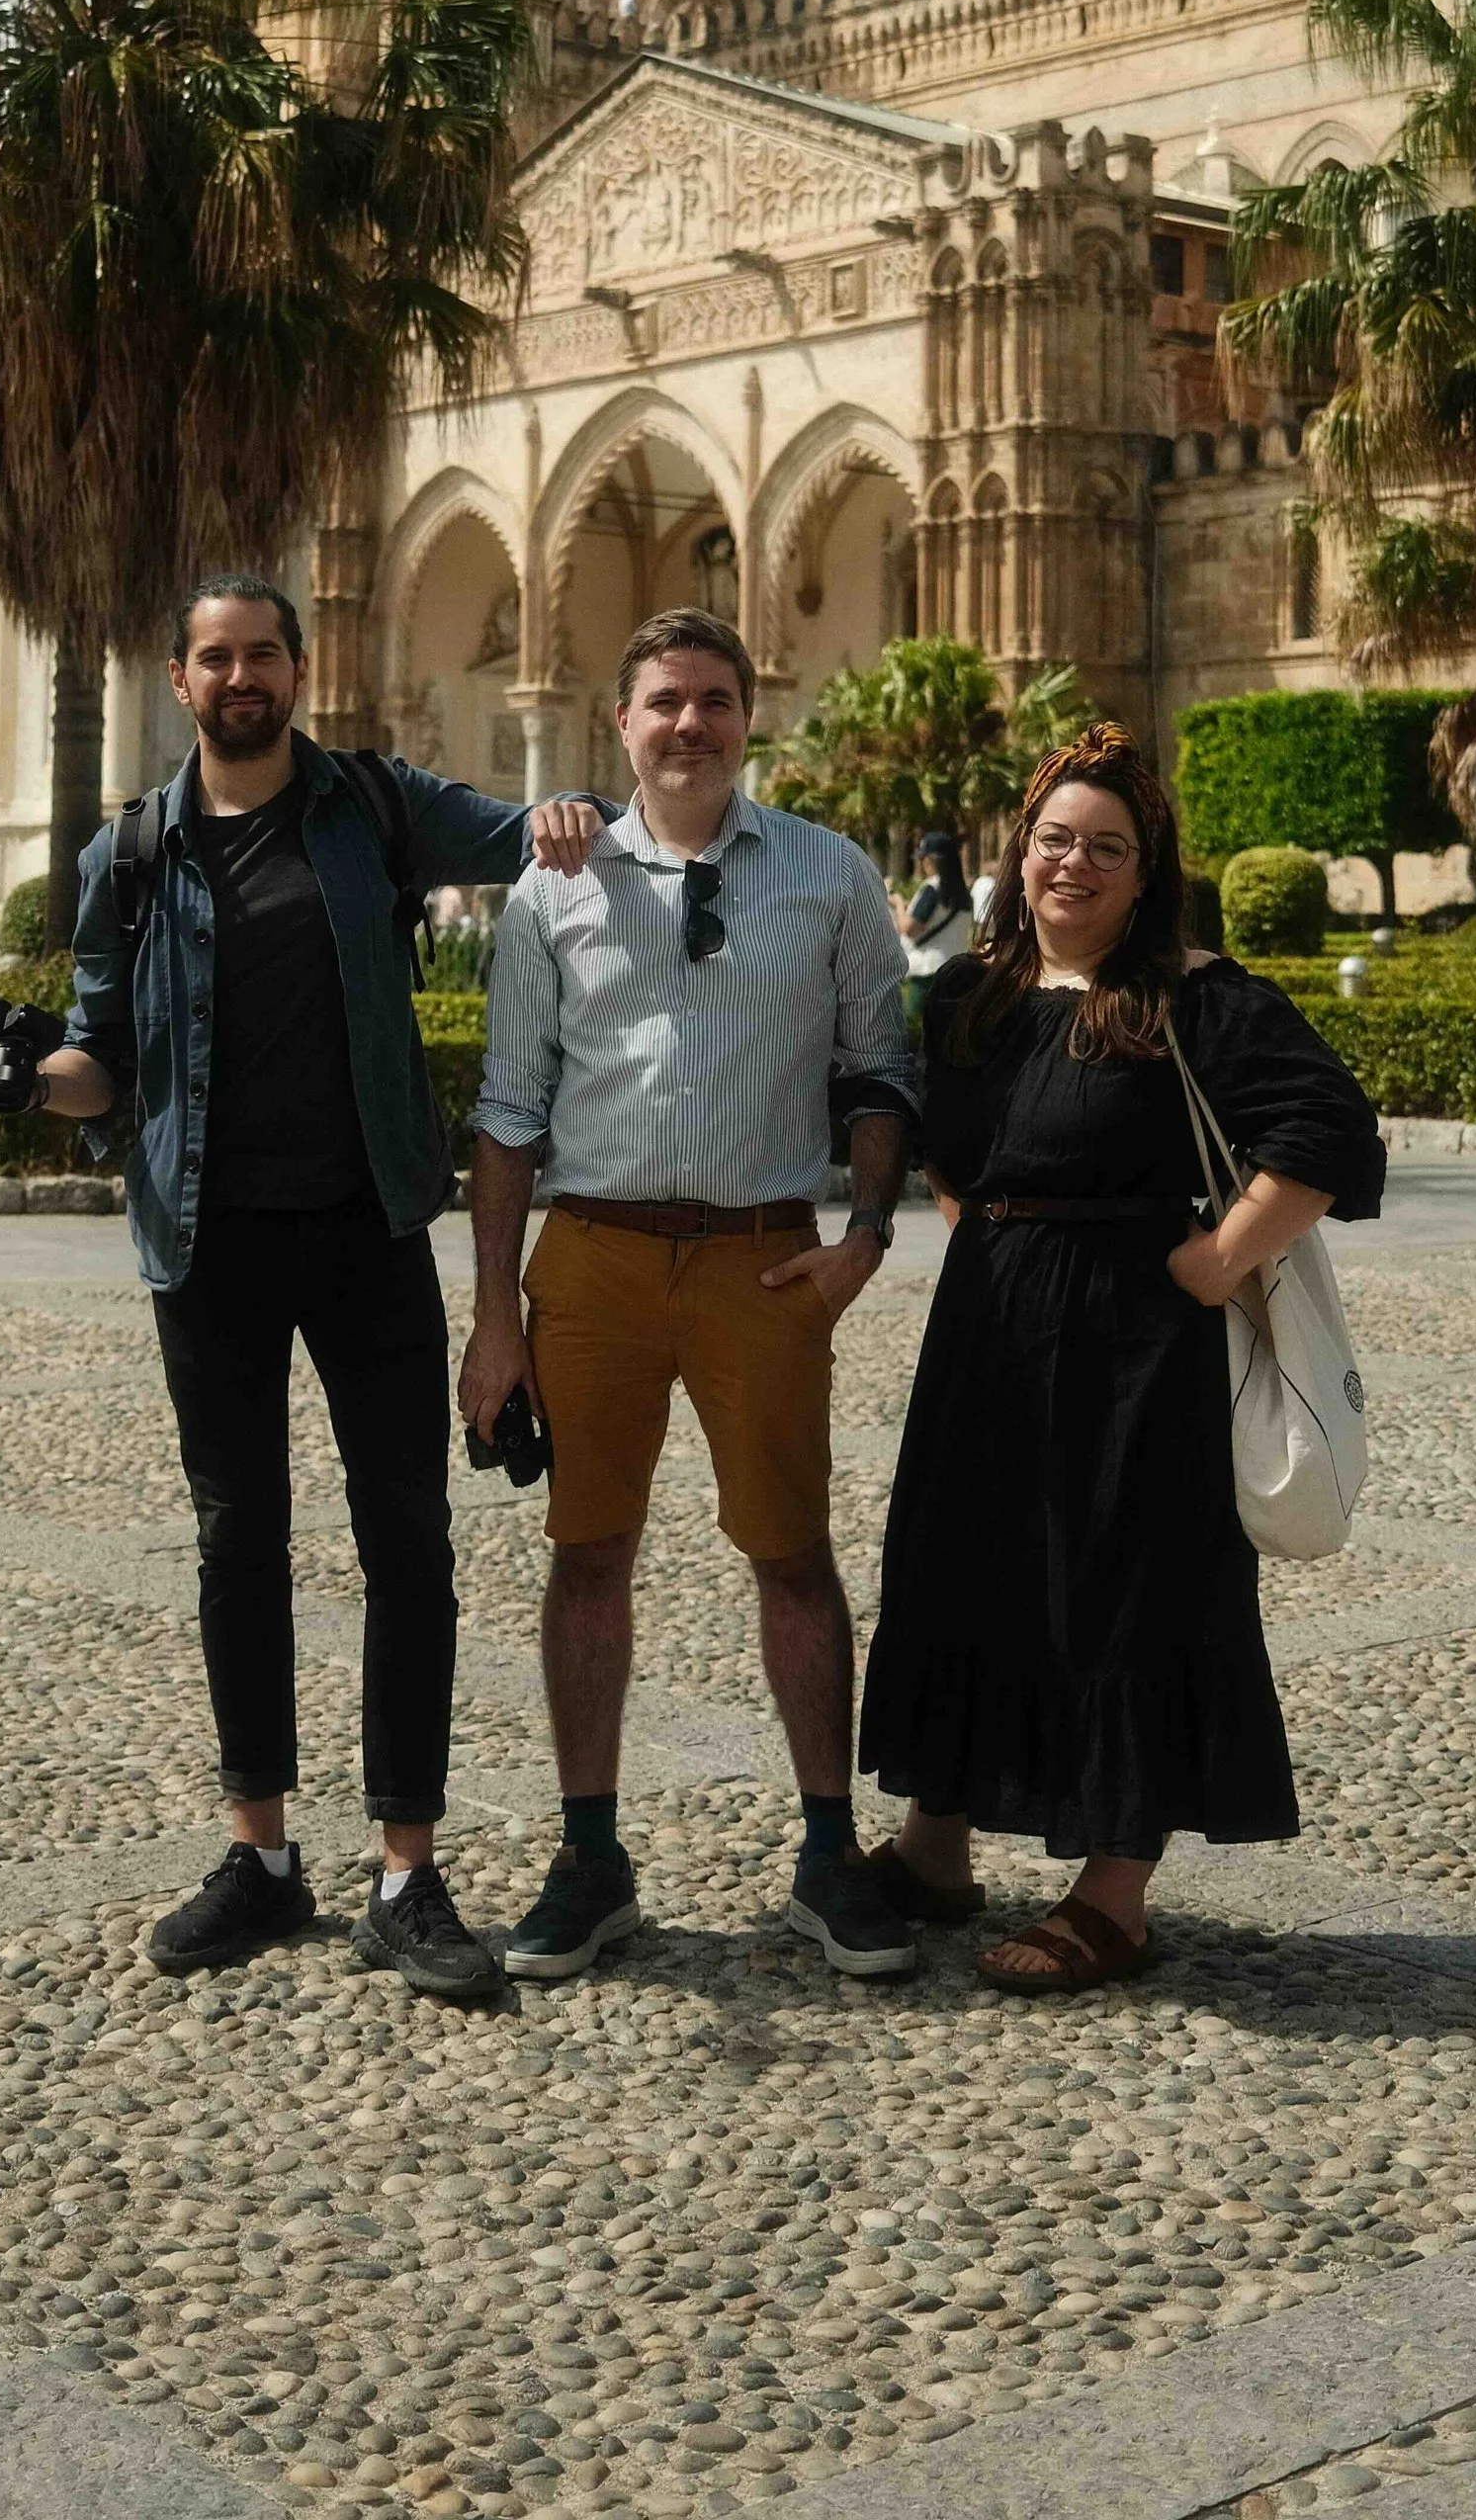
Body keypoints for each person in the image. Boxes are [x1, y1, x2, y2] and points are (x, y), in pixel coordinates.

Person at [0, 578, 604, 2004]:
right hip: (210, 1244)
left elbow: (545, 832)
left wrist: (568, 812)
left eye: (262, 653)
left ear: (297, 669)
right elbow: (98, 1058)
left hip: (368, 1228)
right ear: (180, 680)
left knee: (406, 1545)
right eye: (214, 657)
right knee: (236, 1542)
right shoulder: (129, 852)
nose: (240, 675)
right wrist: (21, 1079)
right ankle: (261, 1854)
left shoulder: (372, 802)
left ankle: (404, 1872)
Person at [859, 723, 1383, 1994]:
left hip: (1135, 1360)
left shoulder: (1197, 999)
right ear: (1016, 853)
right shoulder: (966, 996)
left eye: (1106, 848)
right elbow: (933, 1132)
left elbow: (1329, 1128)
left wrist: (1219, 1260)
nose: (1072, 867)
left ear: (1146, 874)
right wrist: (989, 1229)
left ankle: (1114, 1892)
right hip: (989, 1340)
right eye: (1053, 841)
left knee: (1124, 1597)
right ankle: (936, 1846)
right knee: (967, 1574)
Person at [460, 605, 921, 1984]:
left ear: (747, 715)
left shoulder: (828, 877)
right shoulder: (556, 883)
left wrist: (867, 1239)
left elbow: (880, 1071)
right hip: (591, 1255)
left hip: (763, 1256)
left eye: (715, 700)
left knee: (793, 1553)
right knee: (586, 1550)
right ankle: (590, 1854)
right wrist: (494, 1315)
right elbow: (506, 1110)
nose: (691, 725)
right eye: (665, 701)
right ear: (622, 723)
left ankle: (829, 1850)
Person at [899, 829, 976, 1015]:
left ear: (931, 860)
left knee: (919, 1032)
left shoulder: (932, 889)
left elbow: (908, 929)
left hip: (927, 974)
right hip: (956, 972)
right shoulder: (964, 893)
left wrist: (899, 904)